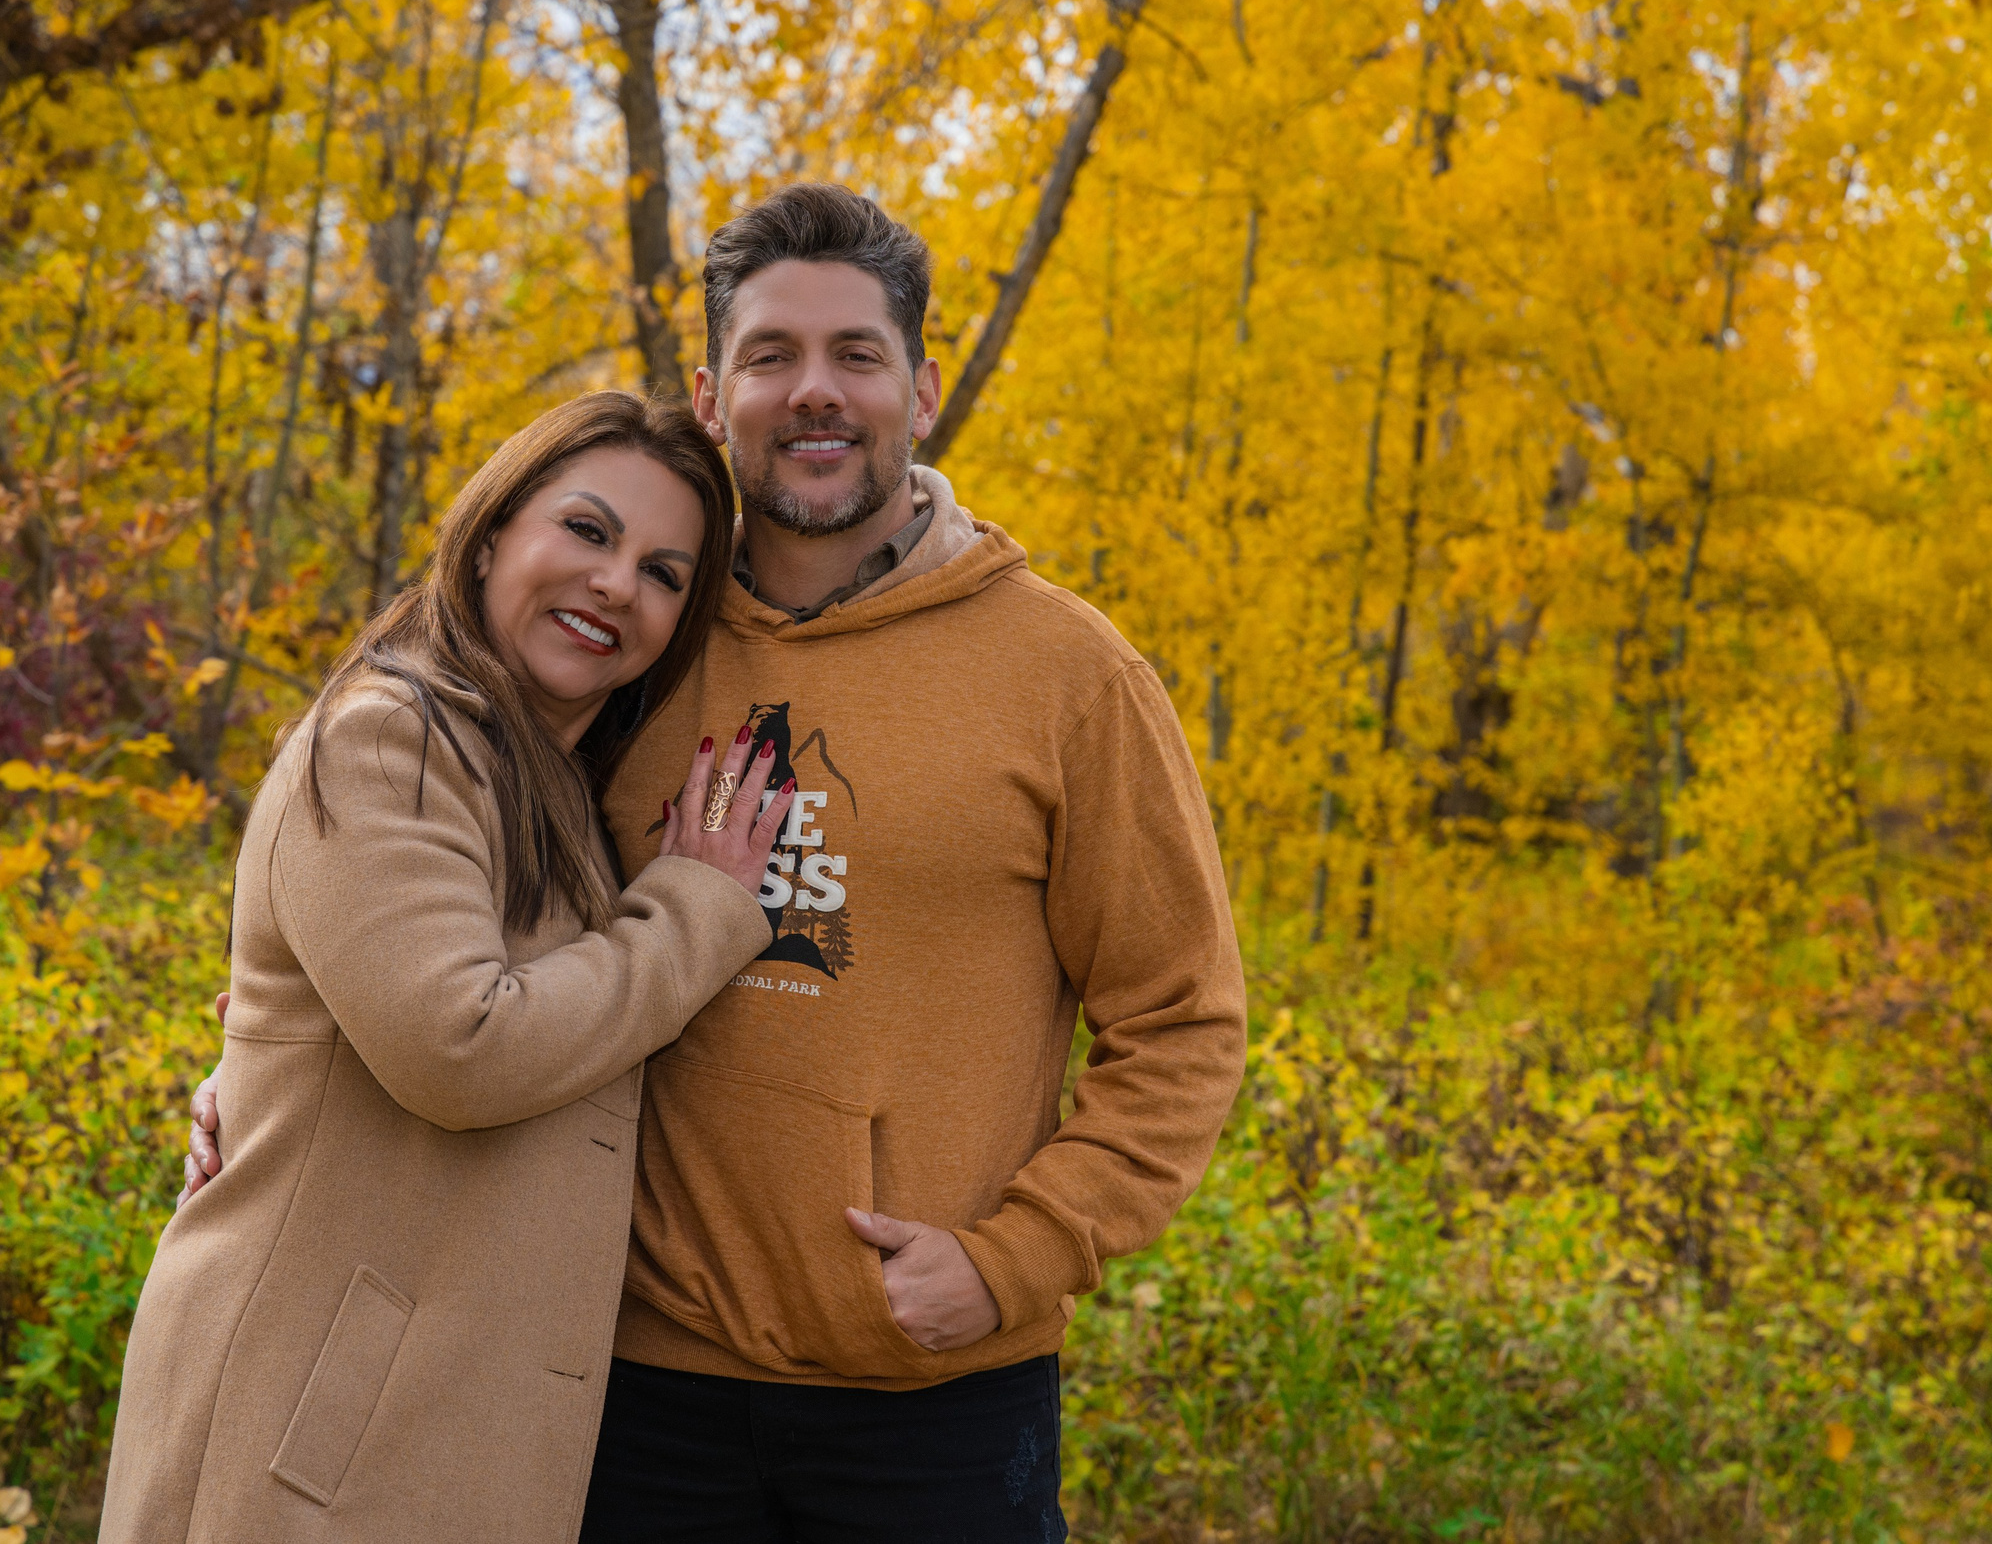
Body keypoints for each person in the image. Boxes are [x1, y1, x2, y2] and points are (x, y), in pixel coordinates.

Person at [181, 187, 1249, 1542]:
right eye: (771, 356)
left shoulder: (1067, 675)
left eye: (857, 355)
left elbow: (1183, 1021)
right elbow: (435, 925)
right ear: (711, 390)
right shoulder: (629, 643)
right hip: (617, 1387)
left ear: (921, 387)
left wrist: (1015, 1258)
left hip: (933, 1399)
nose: (816, 393)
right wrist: (270, 1067)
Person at [99, 390, 795, 1544]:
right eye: (586, 530)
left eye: (667, 573)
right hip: (308, 1446)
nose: (619, 584)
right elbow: (458, 1049)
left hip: (432, 1438)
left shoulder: (551, 780)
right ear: (489, 537)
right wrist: (698, 910)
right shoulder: (390, 737)